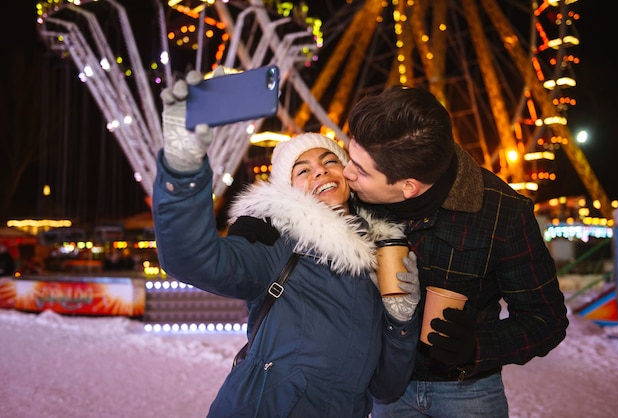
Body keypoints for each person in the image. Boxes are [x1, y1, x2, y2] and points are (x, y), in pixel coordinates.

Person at [151, 70, 422, 418]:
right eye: (303, 170)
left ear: (348, 175)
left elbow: (386, 387)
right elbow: (191, 260)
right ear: (288, 190)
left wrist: (401, 319)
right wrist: (182, 171)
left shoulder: (382, 254)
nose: (321, 172)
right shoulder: (276, 243)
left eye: (330, 162)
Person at [342, 85, 569, 417]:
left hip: (469, 390)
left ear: (409, 187)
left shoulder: (503, 212)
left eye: (361, 170)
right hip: (386, 385)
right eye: (350, 157)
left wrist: (477, 345)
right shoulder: (354, 202)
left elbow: (546, 319)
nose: (347, 172)